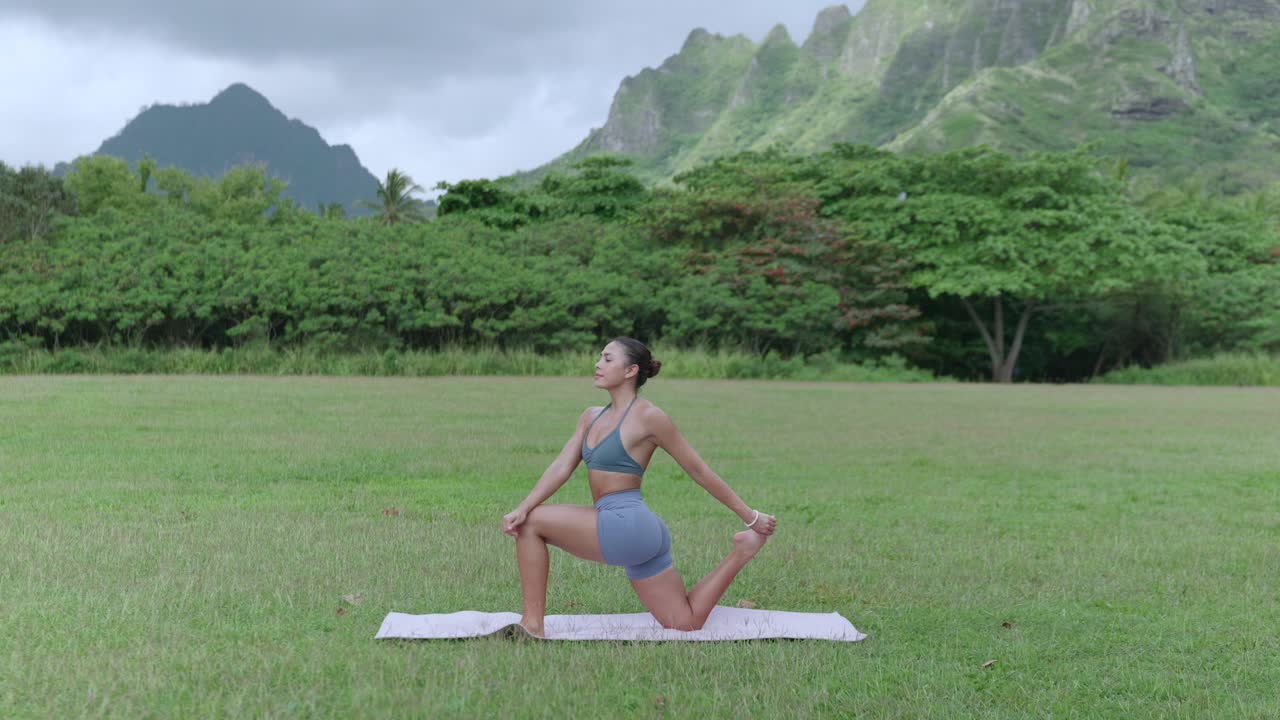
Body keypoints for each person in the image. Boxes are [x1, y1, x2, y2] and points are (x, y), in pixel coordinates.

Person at [502, 336, 777, 637]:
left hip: (626, 524)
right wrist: (524, 505)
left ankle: (532, 625)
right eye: (600, 357)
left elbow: (698, 470)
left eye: (607, 359)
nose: (598, 364)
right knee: (684, 622)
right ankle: (744, 549)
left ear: (631, 370)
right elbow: (561, 467)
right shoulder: (591, 417)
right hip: (640, 534)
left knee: (531, 525)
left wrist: (750, 515)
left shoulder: (649, 417)